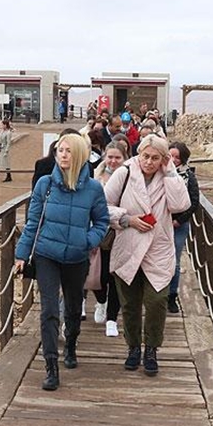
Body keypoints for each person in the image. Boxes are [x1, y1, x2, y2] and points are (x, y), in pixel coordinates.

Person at [15, 133, 110, 391]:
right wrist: (21, 254)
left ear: (78, 154)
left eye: (68, 150)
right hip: (47, 254)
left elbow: (102, 221)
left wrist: (88, 240)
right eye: (60, 150)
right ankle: (51, 366)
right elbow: (33, 221)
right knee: (49, 310)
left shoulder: (93, 189)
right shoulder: (45, 184)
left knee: (72, 307)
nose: (63, 154)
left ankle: (70, 345)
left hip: (77, 257)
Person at [103, 134, 190, 376]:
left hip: (158, 248)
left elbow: (181, 205)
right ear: (138, 154)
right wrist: (127, 219)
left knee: (156, 302)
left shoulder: (168, 177)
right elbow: (102, 205)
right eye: (145, 156)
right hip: (129, 244)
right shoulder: (125, 173)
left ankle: (151, 348)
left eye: (155, 158)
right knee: (129, 303)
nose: (149, 162)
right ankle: (133, 348)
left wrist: (171, 173)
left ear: (163, 159)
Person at [93, 141, 130, 337]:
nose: (113, 161)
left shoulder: (131, 178)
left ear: (124, 158)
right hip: (100, 231)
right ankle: (100, 301)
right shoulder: (95, 175)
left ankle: (112, 319)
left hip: (123, 231)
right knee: (100, 275)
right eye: (110, 157)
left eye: (118, 157)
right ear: (104, 156)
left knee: (116, 276)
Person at [167, 141, 200, 314]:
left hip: (179, 224)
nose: (173, 160)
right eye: (170, 156)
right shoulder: (160, 173)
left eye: (177, 157)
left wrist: (179, 221)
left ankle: (171, 296)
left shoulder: (189, 176)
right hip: (160, 223)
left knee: (175, 261)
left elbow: (194, 202)